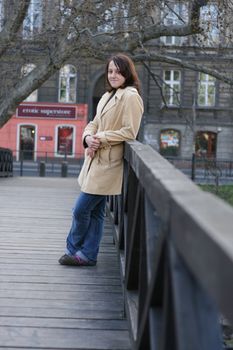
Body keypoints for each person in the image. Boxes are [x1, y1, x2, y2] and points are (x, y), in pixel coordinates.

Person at [59, 53, 144, 266]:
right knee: (95, 212)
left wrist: (100, 138)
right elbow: (93, 123)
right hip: (96, 159)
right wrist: (88, 137)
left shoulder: (131, 96)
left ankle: (73, 249)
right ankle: (88, 254)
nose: (113, 75)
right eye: (110, 71)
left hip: (109, 163)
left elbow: (130, 132)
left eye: (118, 71)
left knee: (81, 209)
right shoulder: (108, 96)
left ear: (127, 73)